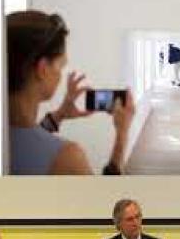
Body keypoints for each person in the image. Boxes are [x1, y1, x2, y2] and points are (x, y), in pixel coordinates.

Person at [7, 10, 135, 175]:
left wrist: (59, 114)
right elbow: (107, 193)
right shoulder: (67, 158)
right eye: (61, 66)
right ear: (43, 69)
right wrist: (122, 134)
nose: (60, 75)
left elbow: (28, 144)